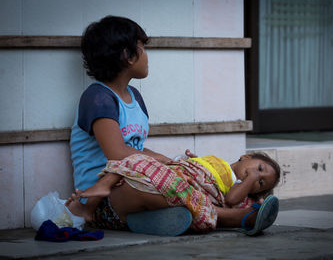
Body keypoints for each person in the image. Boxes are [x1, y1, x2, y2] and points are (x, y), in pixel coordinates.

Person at [68, 15, 188, 234]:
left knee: (186, 179)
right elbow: (117, 152)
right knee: (172, 190)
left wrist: (171, 163)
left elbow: (137, 150)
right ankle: (231, 217)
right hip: (104, 197)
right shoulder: (97, 97)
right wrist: (160, 161)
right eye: (142, 47)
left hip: (132, 180)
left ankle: (138, 220)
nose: (147, 56)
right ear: (128, 55)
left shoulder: (135, 97)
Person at [67, 151, 281, 235]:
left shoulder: (237, 188)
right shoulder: (218, 162)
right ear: (246, 156)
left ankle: (244, 216)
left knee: (182, 192)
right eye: (259, 168)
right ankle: (241, 218)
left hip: (167, 194)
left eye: (260, 182)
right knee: (141, 159)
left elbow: (232, 198)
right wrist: (192, 163)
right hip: (121, 199)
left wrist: (250, 180)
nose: (255, 175)